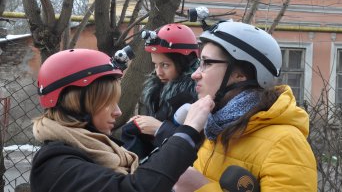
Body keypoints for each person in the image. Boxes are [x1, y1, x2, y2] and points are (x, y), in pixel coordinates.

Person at [30, 48, 214, 192]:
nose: (118, 112)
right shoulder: (56, 165)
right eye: (108, 103)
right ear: (77, 104)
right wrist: (186, 132)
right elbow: (134, 188)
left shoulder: (101, 148)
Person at [174, 21, 317, 191]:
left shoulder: (285, 142)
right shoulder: (216, 129)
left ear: (240, 74)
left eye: (207, 63)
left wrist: (200, 188)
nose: (195, 75)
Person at [121, 23, 200, 159]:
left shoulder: (199, 95)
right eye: (155, 65)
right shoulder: (156, 90)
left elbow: (200, 145)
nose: (159, 72)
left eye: (165, 65)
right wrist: (143, 125)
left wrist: (159, 128)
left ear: (185, 61)